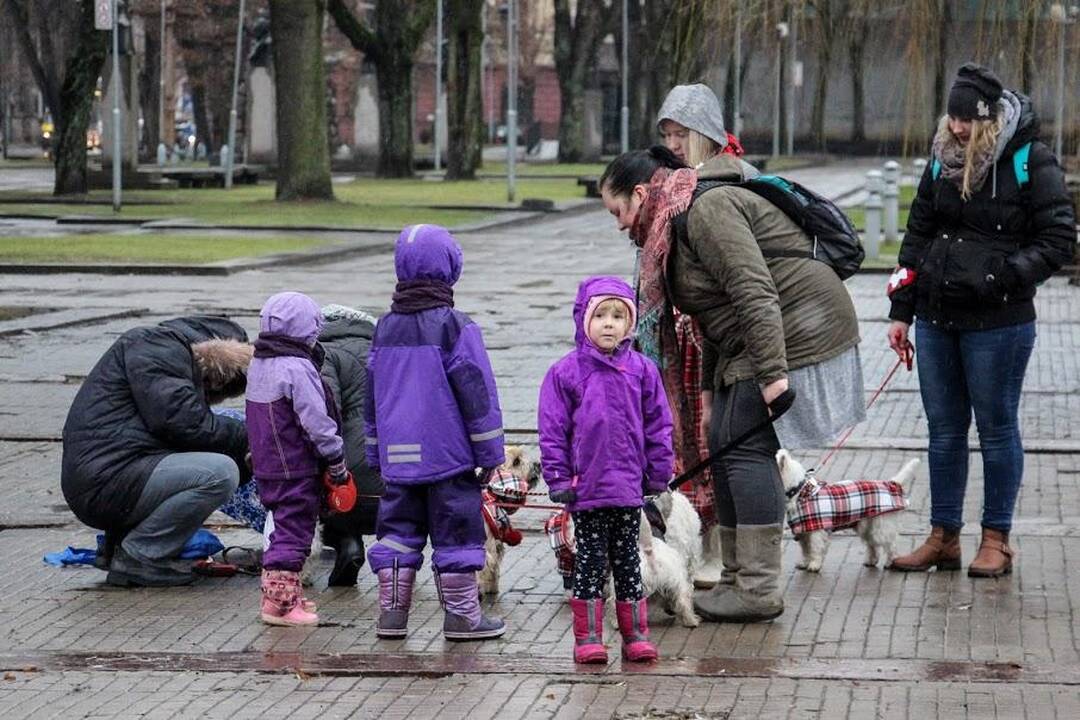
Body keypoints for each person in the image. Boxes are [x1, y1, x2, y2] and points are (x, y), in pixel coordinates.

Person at [599, 146, 865, 623]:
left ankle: (758, 588)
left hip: (797, 324)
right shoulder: (671, 225)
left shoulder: (704, 210)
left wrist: (772, 376)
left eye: (618, 211)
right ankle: (734, 579)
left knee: (745, 447)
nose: (619, 225)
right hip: (750, 338)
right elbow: (713, 313)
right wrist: (708, 393)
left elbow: (752, 288)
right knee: (721, 437)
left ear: (641, 194)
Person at [886, 63, 1076, 577]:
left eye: (967, 119)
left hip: (999, 323)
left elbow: (1059, 239)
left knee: (996, 429)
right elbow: (918, 233)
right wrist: (901, 309)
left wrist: (1001, 277)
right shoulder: (939, 161)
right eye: (952, 117)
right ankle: (943, 536)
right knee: (944, 431)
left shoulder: (1028, 159)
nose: (957, 128)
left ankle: (997, 539)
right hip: (936, 317)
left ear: (990, 118)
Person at [365, 224, 507, 641]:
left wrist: (376, 453)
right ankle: (462, 616)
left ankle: (392, 616)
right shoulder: (455, 328)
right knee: (457, 533)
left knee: (396, 533)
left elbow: (372, 395)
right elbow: (477, 393)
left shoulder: (384, 328)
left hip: (398, 460)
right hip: (448, 458)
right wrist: (490, 454)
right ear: (449, 268)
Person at [652, 83, 758, 589]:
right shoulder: (670, 183)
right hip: (684, 332)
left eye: (681, 133)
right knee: (689, 443)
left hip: (719, 335)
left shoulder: (731, 181)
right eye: (667, 132)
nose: (673, 143)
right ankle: (704, 547)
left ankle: (730, 556)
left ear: (706, 134)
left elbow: (743, 271)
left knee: (720, 444)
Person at [538, 276, 674, 664]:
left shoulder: (643, 371)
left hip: (628, 488)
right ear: (584, 319)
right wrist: (560, 478)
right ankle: (588, 637)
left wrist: (658, 472)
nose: (610, 324)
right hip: (587, 491)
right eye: (601, 315)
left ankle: (635, 634)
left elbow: (658, 425)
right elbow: (553, 430)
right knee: (590, 563)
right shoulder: (566, 373)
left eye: (619, 315)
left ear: (630, 323)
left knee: (629, 561)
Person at [61, 316, 252, 587]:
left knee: (213, 466)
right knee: (219, 473)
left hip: (107, 476)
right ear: (218, 356)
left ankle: (120, 550)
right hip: (106, 480)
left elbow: (178, 435)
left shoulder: (158, 350)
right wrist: (249, 437)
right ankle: (140, 556)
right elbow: (184, 423)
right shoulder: (158, 346)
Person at [246, 292, 350, 626]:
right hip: (296, 466)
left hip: (268, 465)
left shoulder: (259, 364)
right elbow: (316, 421)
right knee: (294, 533)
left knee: (281, 528)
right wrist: (335, 458)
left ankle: (284, 596)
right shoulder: (298, 368)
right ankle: (280, 606)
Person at [317, 304, 383, 586]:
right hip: (399, 475)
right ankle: (399, 567)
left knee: (310, 477)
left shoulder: (324, 355)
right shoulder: (388, 353)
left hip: (349, 487)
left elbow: (323, 417)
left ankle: (348, 544)